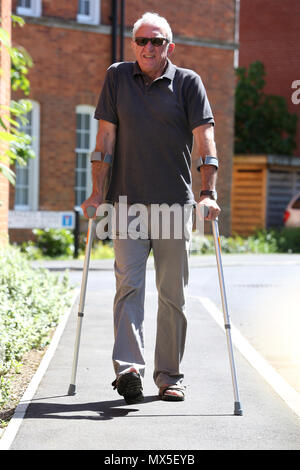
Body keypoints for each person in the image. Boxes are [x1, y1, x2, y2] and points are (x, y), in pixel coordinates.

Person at [81, 12, 221, 404]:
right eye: (141, 40)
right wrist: (96, 193)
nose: (148, 47)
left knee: (172, 294)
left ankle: (170, 376)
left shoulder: (188, 83)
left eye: (156, 41)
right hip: (125, 202)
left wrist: (207, 192)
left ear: (169, 47)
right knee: (128, 285)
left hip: (175, 205)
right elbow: (104, 139)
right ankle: (128, 368)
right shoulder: (117, 77)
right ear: (133, 44)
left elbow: (204, 140)